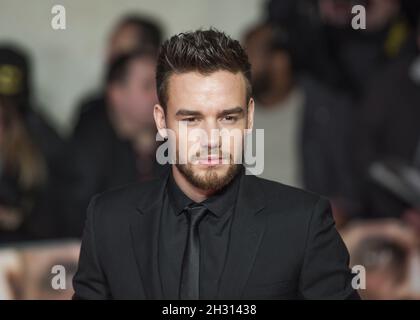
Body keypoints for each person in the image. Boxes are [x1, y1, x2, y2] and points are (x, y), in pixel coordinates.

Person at [73, 29, 359, 300]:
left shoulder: (303, 223)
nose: (211, 139)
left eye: (227, 118)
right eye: (191, 119)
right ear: (161, 121)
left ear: (248, 118)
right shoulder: (109, 222)